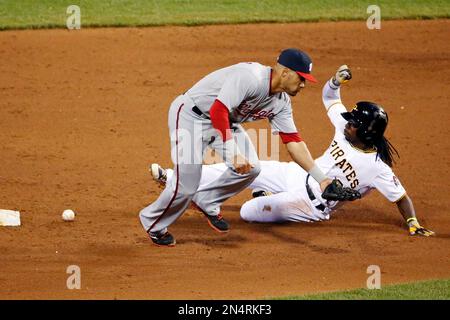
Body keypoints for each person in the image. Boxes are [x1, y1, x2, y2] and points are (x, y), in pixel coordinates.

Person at [151, 65, 434, 237]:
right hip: (297, 175)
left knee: (249, 212)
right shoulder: (343, 128)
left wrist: (412, 222)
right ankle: (174, 178)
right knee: (252, 166)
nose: (347, 124)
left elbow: (401, 196)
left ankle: (260, 196)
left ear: (367, 132)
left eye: (353, 124)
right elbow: (331, 98)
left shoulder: (378, 168)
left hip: (309, 204)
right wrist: (335, 81)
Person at [140, 48, 334, 247]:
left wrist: (323, 180)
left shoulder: (282, 103)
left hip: (224, 123)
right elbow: (218, 110)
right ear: (285, 73)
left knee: (252, 168)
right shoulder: (250, 77)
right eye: (301, 78)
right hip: (191, 116)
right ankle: (153, 223)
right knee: (187, 183)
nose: (303, 84)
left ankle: (206, 200)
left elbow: (294, 142)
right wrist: (233, 154)